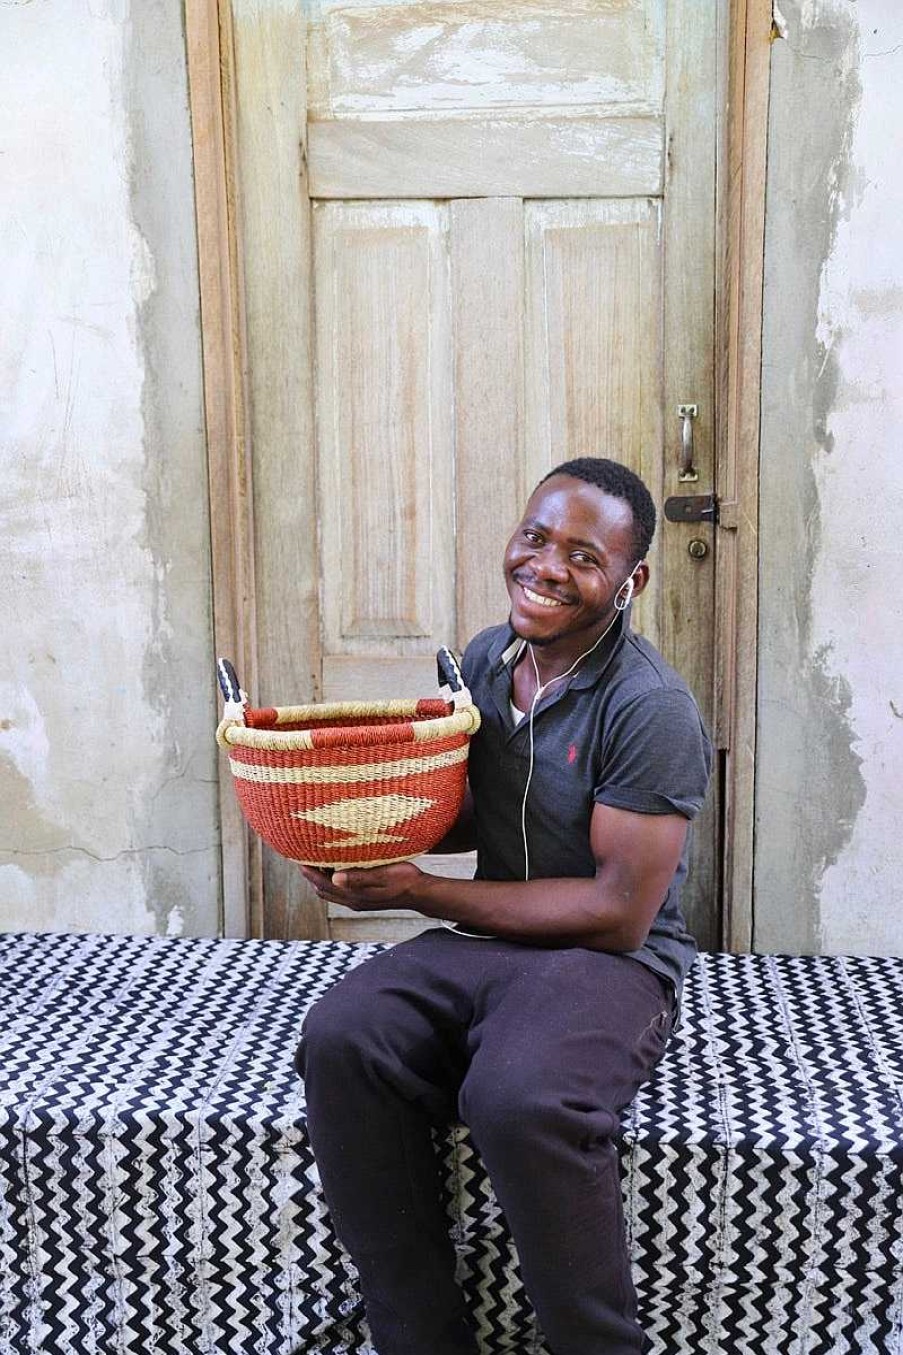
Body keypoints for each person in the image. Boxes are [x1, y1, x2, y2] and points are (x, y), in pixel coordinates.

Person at [295, 457, 713, 1355]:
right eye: (534, 537)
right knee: (340, 1038)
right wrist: (358, 844)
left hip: (606, 963)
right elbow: (473, 810)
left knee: (517, 1095)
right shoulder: (489, 658)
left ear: (630, 580)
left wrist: (417, 892)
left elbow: (618, 912)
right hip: (481, 936)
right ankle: (420, 1339)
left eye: (582, 555)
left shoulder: (651, 708)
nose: (545, 566)